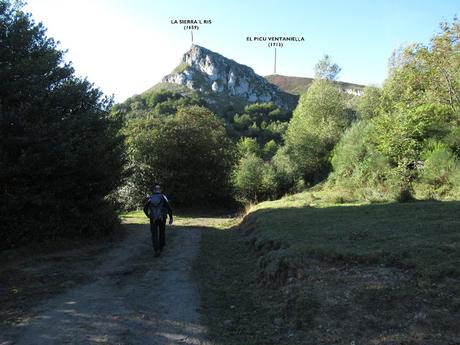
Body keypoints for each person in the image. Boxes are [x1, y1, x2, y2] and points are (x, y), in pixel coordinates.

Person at [143, 184, 173, 257]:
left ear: (154, 190)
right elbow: (168, 207)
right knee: (162, 232)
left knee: (154, 234)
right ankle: (161, 247)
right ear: (160, 190)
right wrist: (171, 217)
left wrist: (149, 216)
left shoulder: (150, 198)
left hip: (153, 219)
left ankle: (156, 250)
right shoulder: (163, 197)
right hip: (162, 218)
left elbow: (145, 209)